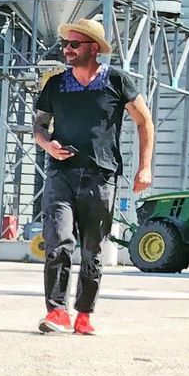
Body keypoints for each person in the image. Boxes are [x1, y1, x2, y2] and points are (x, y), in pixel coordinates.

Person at [30, 19, 154, 335]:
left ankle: (84, 314)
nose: (67, 50)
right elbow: (39, 127)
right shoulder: (55, 85)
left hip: (101, 177)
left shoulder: (117, 81)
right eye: (65, 45)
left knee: (91, 248)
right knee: (58, 241)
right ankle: (57, 312)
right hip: (61, 175)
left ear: (93, 48)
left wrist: (145, 166)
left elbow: (145, 122)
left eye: (74, 45)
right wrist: (48, 144)